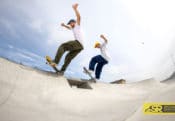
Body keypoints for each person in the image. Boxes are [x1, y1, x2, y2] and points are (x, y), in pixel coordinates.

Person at [48, 3, 84, 74]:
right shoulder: (73, 28)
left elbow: (79, 17)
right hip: (80, 47)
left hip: (78, 43)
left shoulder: (77, 25)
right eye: (69, 24)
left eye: (70, 23)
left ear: (73, 22)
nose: (70, 25)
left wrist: (75, 9)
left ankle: (55, 61)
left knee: (63, 46)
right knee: (68, 58)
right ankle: (62, 71)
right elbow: (69, 28)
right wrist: (64, 25)